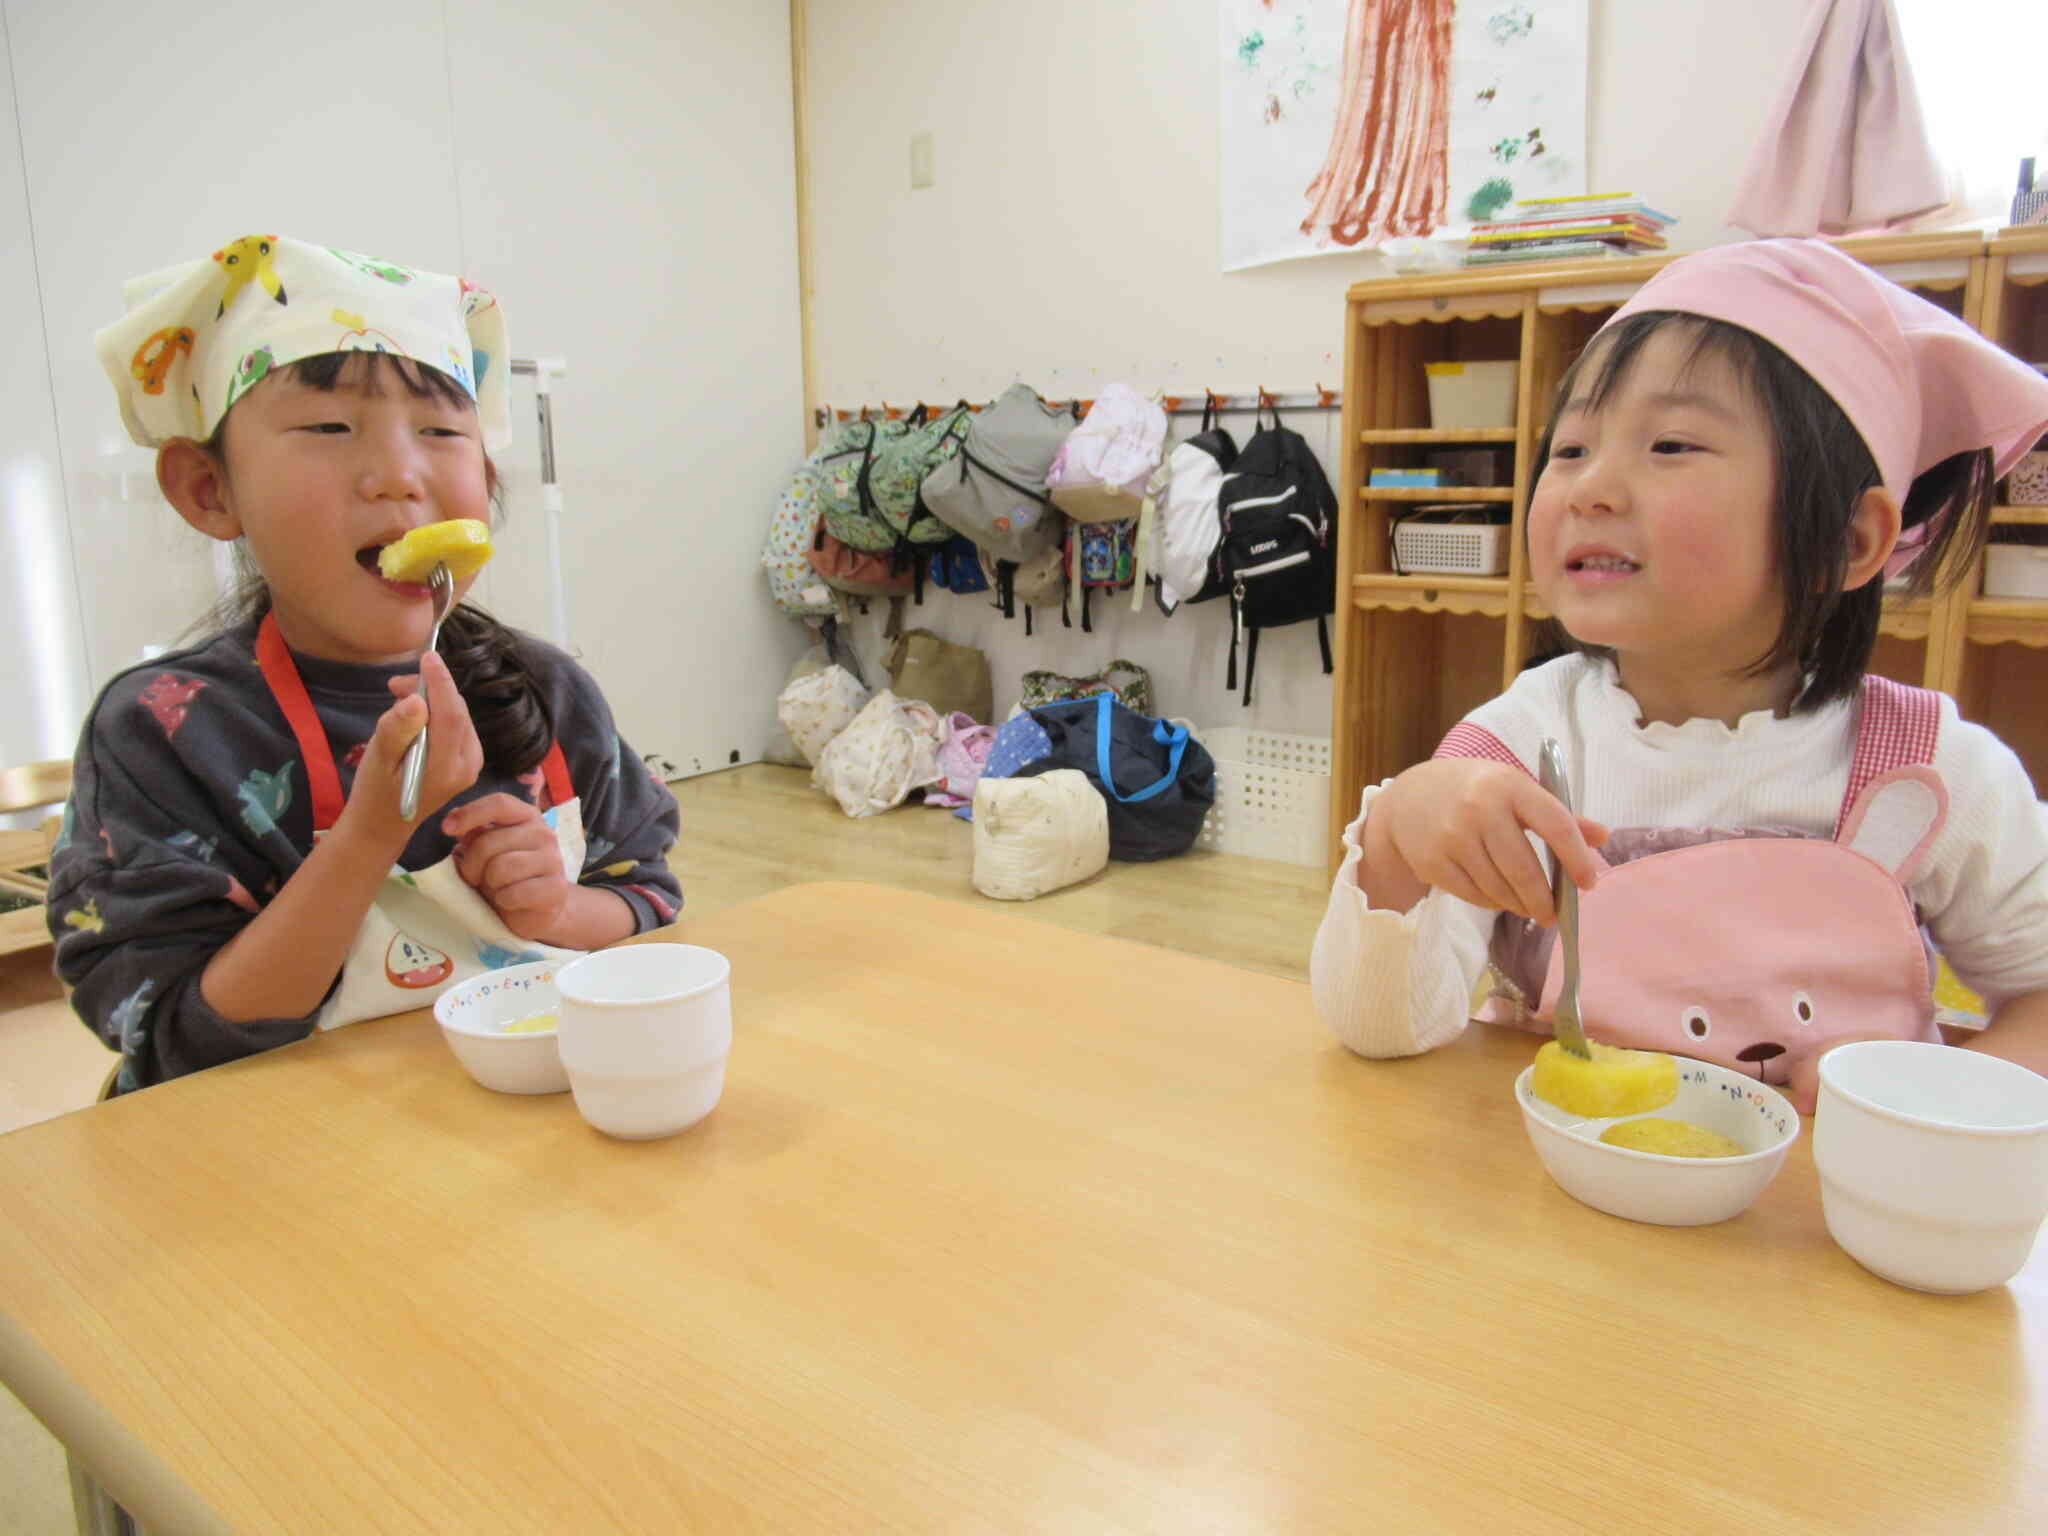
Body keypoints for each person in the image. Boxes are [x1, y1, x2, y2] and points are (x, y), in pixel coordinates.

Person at [1311, 238, 2048, 1109]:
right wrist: (1398, 834)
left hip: (1823, 1229)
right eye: (1573, 446)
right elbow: (1382, 1029)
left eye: (1669, 445)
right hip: (1560, 1213)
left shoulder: (1928, 768)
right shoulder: (1518, 746)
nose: (1592, 488)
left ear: (1849, 542)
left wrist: (1937, 1100)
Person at [49, 234, 681, 1092]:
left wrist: (567, 909)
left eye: (440, 430)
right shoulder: (165, 726)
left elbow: (647, 896)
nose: (399, 474)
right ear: (210, 490)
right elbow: (174, 1041)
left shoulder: (546, 688)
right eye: (329, 427)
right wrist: (370, 833)